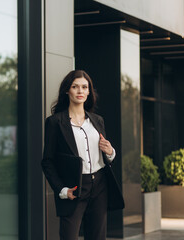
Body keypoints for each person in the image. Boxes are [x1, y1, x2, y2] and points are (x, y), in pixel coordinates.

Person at [41, 70, 124, 240]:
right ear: (67, 90)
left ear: (89, 92)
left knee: (97, 236)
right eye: (75, 87)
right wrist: (62, 190)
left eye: (84, 87)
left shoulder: (97, 120)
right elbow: (47, 162)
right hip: (75, 187)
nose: (80, 91)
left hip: (100, 185)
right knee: (69, 236)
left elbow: (104, 156)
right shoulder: (55, 122)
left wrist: (110, 152)